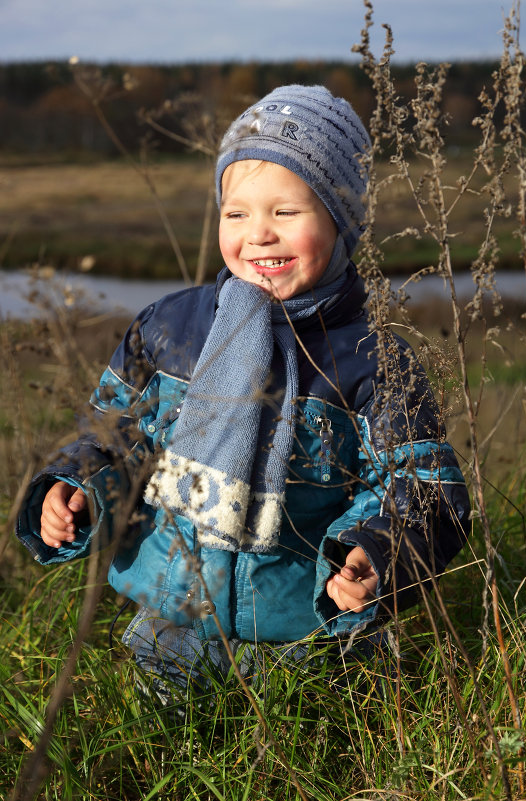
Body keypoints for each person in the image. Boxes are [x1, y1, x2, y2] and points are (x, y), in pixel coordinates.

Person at [16, 85, 470, 702]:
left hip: (307, 629)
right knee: (166, 744)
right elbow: (116, 434)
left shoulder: (374, 362)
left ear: (343, 220)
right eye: (237, 214)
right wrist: (77, 489)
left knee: (318, 742)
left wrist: (377, 553)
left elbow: (420, 486)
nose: (258, 235)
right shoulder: (170, 329)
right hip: (172, 613)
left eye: (286, 213)